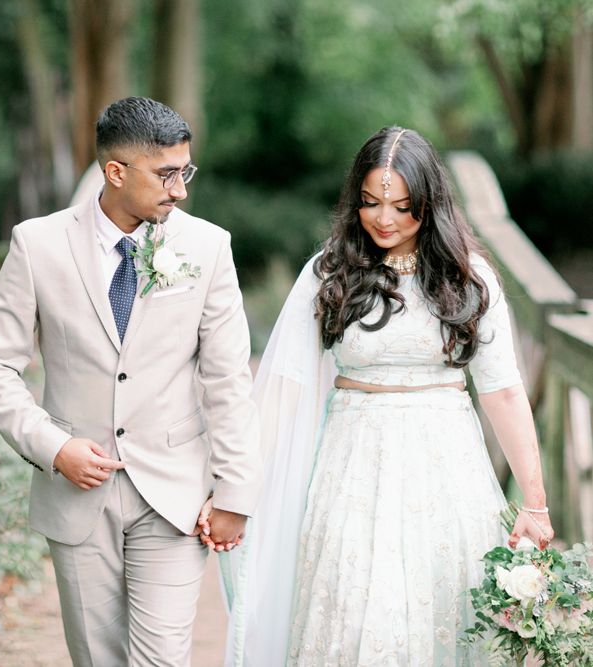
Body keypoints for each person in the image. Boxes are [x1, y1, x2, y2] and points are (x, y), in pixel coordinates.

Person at [218, 126, 554, 666]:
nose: (384, 219)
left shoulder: (471, 280)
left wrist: (534, 504)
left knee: (444, 611)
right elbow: (284, 389)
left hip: (448, 472)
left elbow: (505, 393)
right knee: (352, 609)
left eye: (402, 206)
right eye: (371, 203)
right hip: (352, 470)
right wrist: (238, 488)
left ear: (430, 203)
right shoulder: (330, 272)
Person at [0, 96, 261, 667]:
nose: (180, 189)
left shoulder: (207, 246)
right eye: (166, 173)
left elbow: (228, 379)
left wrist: (235, 493)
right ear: (116, 172)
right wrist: (54, 447)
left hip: (174, 491)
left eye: (185, 171)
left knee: (162, 659)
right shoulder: (38, 244)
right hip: (78, 493)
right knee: (98, 659)